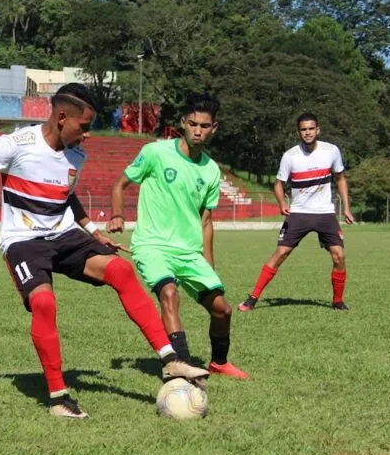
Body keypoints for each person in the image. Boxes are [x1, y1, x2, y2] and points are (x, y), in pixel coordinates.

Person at [0, 83, 209, 418]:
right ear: (62, 117)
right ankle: (59, 396)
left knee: (121, 270)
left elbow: (64, 194)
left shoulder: (76, 153)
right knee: (44, 302)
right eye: (84, 126)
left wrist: (92, 230)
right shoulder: (16, 144)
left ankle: (169, 359)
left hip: (63, 235)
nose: (87, 135)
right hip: (23, 242)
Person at [107, 94, 249, 380]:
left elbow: (206, 222)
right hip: (152, 245)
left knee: (222, 310)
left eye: (205, 126)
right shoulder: (155, 153)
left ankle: (219, 362)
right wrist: (117, 214)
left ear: (214, 128)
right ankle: (180, 364)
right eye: (193, 123)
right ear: (183, 123)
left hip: (188, 251)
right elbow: (120, 184)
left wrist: (208, 263)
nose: (198, 130)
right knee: (169, 294)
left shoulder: (210, 170)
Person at [238, 113, 354, 312]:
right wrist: (282, 202)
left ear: (318, 130)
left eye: (311, 128)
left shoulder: (331, 151)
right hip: (299, 212)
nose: (307, 133)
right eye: (303, 129)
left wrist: (347, 208)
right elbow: (278, 184)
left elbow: (341, 179)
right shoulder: (290, 156)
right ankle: (252, 298)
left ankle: (337, 301)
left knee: (339, 256)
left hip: (325, 213)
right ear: (298, 132)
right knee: (281, 253)